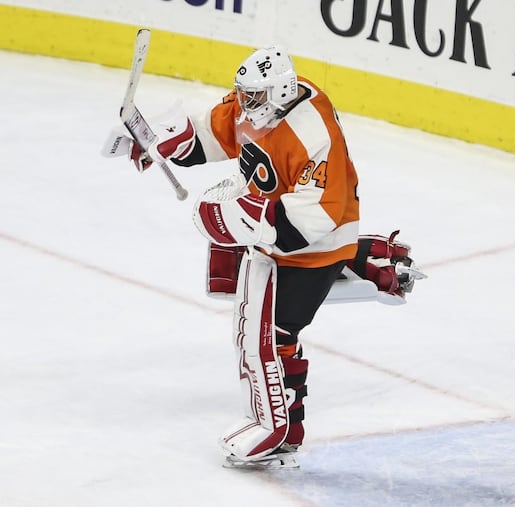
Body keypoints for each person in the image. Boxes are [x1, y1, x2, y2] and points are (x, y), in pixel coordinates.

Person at [107, 45, 424, 468]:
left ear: (282, 92)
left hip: (314, 247)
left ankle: (279, 429)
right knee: (229, 278)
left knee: (270, 335)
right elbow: (212, 134)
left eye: (253, 97)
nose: (243, 104)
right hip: (278, 227)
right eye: (243, 94)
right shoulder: (257, 107)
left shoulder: (312, 134)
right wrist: (160, 140)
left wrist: (238, 218)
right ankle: (370, 258)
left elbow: (316, 219)